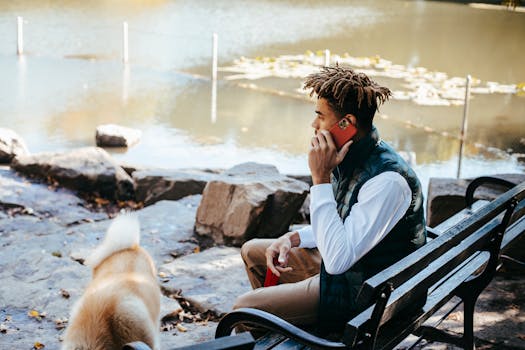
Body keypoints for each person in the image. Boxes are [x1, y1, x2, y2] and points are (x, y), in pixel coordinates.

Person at [233, 66, 427, 335]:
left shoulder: (388, 181)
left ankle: (294, 329)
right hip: (357, 272)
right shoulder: (354, 157)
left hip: (366, 296)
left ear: (347, 123)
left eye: (320, 116)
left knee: (245, 308)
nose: (314, 126)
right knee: (254, 251)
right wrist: (293, 239)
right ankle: (283, 330)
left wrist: (320, 177)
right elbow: (344, 225)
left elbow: (338, 261)